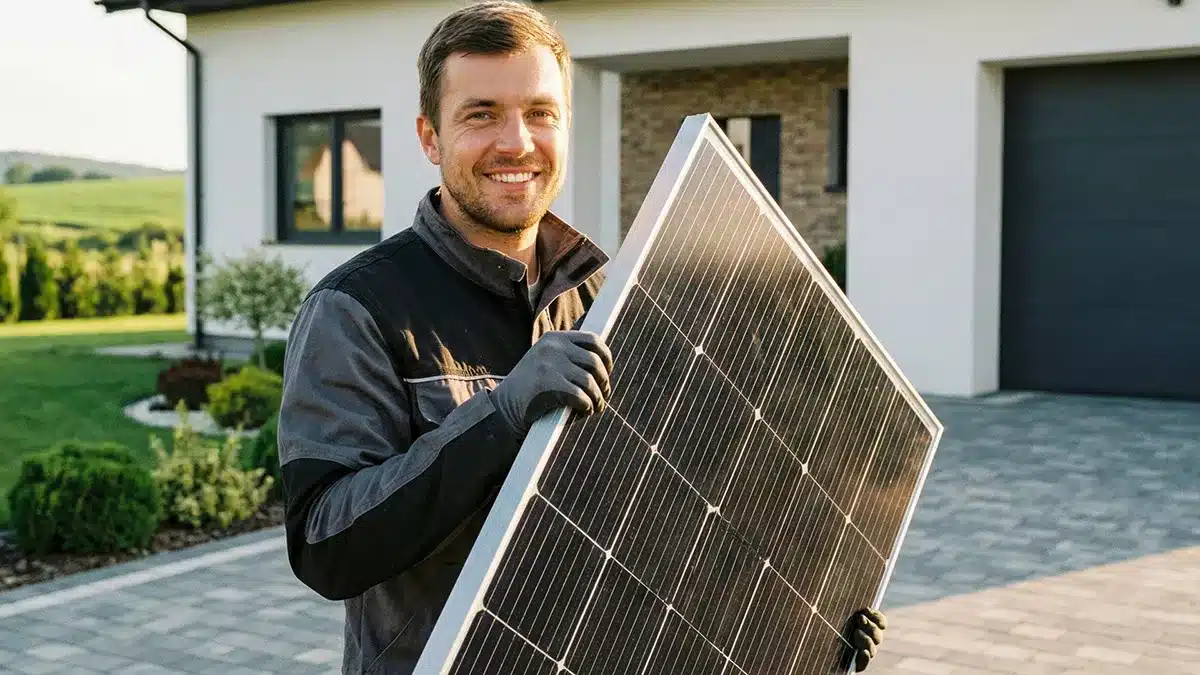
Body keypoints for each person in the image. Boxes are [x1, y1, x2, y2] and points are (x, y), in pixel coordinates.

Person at [277, 2, 886, 673]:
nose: (516, 141)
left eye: (540, 112)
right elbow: (325, 544)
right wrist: (501, 416)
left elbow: (682, 502)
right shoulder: (356, 308)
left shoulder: (610, 297)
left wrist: (808, 614)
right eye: (481, 113)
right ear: (429, 137)